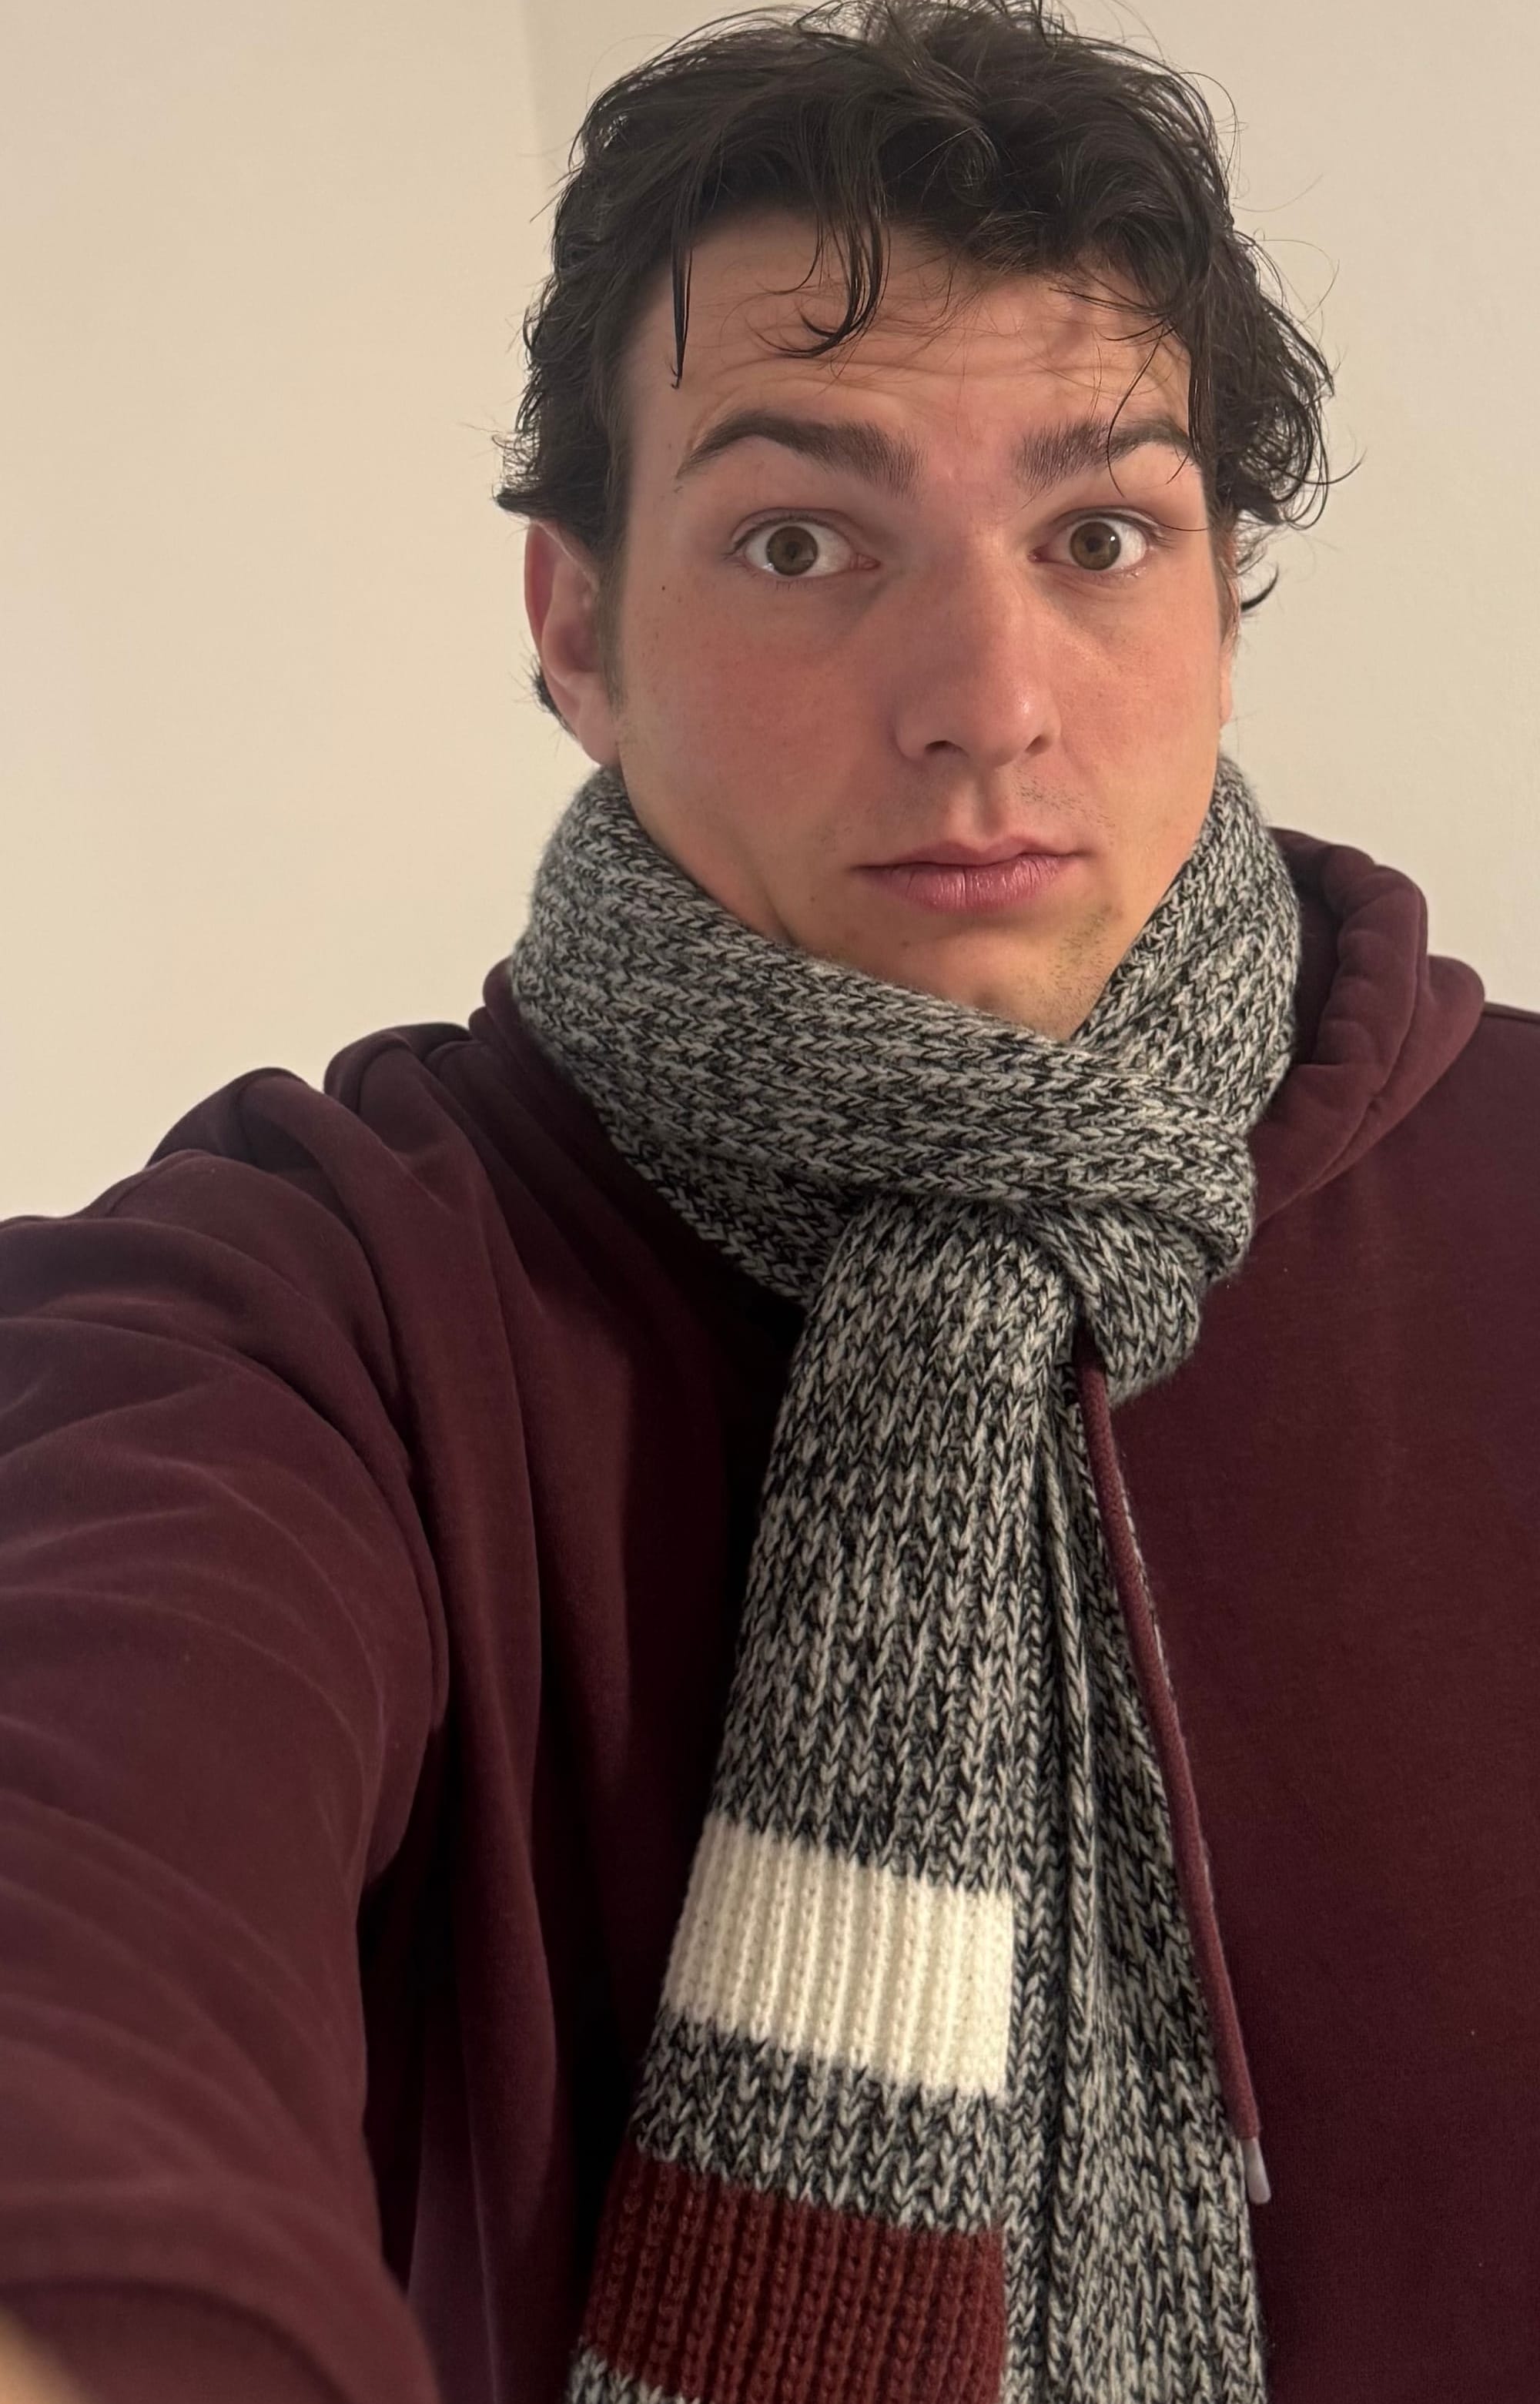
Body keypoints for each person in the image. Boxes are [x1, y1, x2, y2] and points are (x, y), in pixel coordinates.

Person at [1, 0, 1535, 2398]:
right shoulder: (325, 1302)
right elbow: (82, 1833)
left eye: (1101, 534)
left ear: (1224, 603)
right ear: (578, 629)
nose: (985, 697)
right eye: (804, 539)